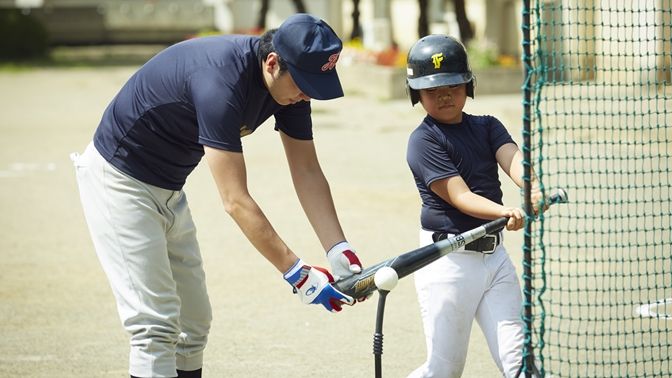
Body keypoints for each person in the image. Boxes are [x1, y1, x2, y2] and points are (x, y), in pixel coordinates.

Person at [71, 13, 364, 378]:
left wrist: (338, 248)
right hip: (118, 182)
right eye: (304, 84)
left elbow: (306, 171)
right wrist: (298, 273)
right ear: (273, 63)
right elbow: (235, 200)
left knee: (193, 324)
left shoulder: (289, 90)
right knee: (155, 326)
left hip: (168, 188)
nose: (307, 94)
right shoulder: (220, 83)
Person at [403, 35, 543, 378]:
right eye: (431, 89)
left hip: (495, 260)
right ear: (415, 93)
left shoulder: (487, 126)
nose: (444, 94)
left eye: (452, 84)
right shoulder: (423, 140)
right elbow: (460, 196)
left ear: (468, 84)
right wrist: (504, 211)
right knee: (444, 370)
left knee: (519, 362)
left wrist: (533, 187)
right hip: (448, 263)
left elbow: (513, 160)